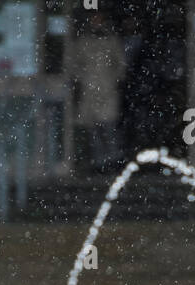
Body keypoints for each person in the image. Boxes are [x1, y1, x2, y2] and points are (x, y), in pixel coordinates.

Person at [71, 10, 126, 175]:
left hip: (107, 89)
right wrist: (84, 78)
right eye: (94, 20)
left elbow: (121, 65)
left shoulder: (112, 41)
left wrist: (113, 80)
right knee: (94, 128)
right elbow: (74, 65)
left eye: (99, 20)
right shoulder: (83, 42)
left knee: (109, 127)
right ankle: (99, 161)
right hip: (90, 90)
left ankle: (112, 159)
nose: (96, 23)